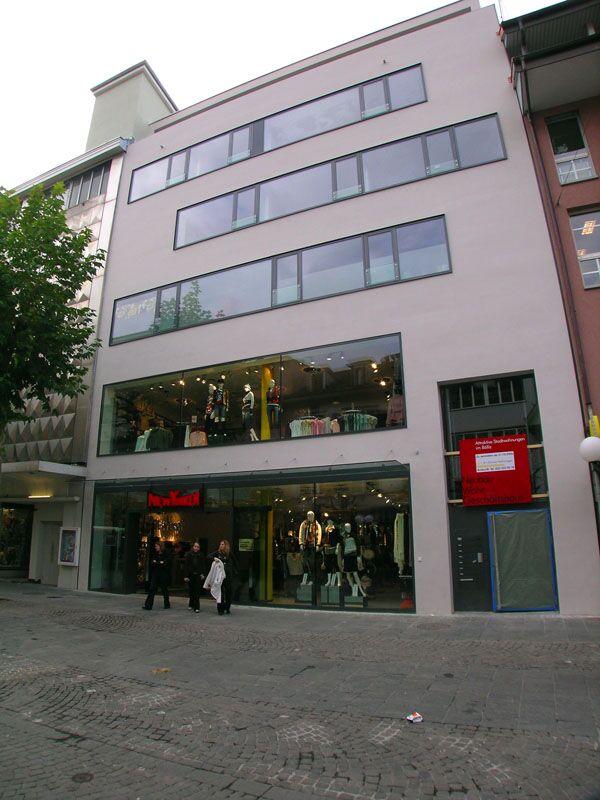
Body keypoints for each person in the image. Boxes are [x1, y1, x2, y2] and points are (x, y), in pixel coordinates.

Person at [207, 539, 238, 615]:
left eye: (222, 544)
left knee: (228, 592)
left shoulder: (229, 553)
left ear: (226, 545)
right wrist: (214, 558)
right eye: (220, 544)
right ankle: (220, 609)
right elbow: (208, 556)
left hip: (228, 576)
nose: (221, 545)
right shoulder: (218, 553)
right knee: (220, 592)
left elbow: (235, 562)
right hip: (220, 576)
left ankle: (227, 608)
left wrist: (234, 571)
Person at [143, 540, 171, 610]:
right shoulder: (155, 553)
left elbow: (165, 564)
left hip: (163, 574)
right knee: (152, 589)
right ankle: (148, 605)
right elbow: (152, 562)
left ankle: (167, 604)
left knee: (164, 589)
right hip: (155, 574)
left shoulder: (166, 554)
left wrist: (157, 562)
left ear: (160, 546)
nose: (155, 547)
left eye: (156, 546)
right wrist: (160, 562)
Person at [184, 542, 207, 613]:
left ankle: (197, 607)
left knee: (197, 591)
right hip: (191, 575)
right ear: (193, 547)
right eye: (195, 546)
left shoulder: (201, 555)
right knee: (191, 590)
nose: (196, 548)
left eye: (198, 547)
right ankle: (191, 604)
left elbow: (203, 565)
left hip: (198, 575)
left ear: (199, 548)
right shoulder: (189, 554)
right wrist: (186, 576)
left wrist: (203, 574)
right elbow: (186, 566)